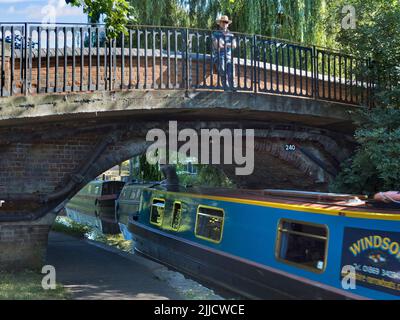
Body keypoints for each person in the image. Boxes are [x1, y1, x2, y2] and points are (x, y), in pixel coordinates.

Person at [212, 15, 237, 90]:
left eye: (226, 22)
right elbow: (217, 45)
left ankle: (233, 86)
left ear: (228, 24)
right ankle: (225, 85)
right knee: (222, 65)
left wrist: (224, 44)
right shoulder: (215, 34)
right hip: (219, 56)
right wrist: (228, 44)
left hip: (229, 57)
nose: (224, 23)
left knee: (231, 69)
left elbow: (234, 45)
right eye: (222, 22)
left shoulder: (231, 35)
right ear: (219, 23)